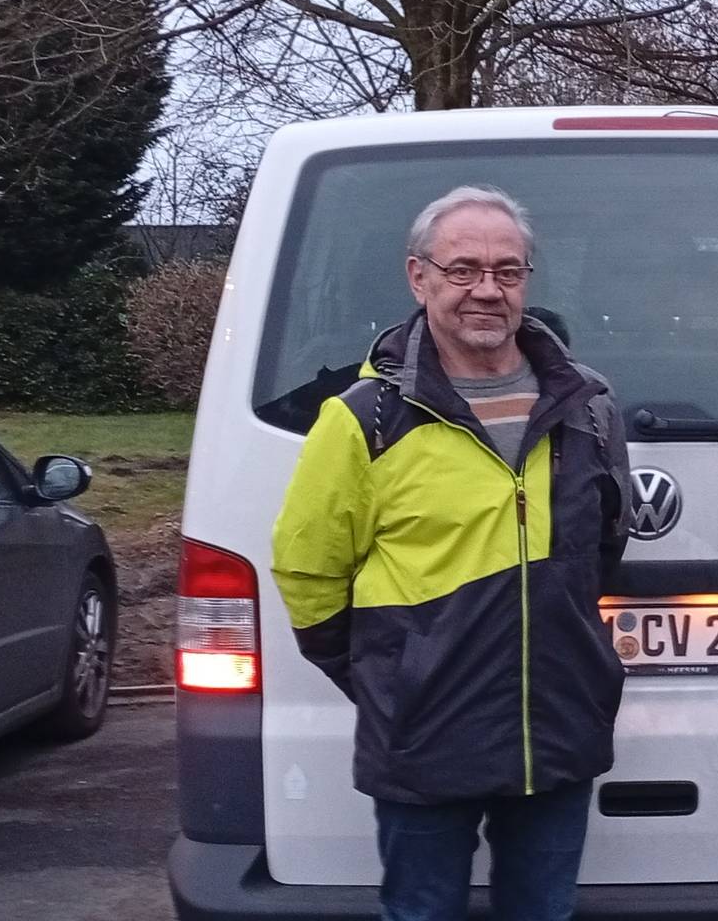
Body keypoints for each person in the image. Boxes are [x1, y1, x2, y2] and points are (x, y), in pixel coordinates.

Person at [269, 186, 631, 921]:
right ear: (419, 277)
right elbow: (307, 567)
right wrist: (394, 674)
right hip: (426, 736)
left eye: (507, 270)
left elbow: (604, 545)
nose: (487, 291)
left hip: (557, 729)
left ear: (526, 279)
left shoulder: (589, 405)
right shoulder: (363, 420)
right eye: (463, 270)